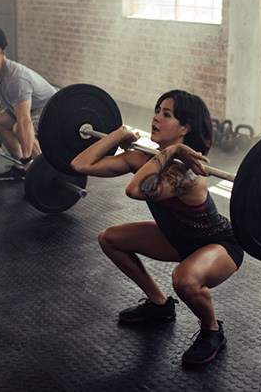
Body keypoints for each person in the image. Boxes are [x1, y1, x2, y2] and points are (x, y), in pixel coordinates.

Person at [70, 90, 244, 365]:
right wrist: (119, 134)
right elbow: (80, 165)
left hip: (219, 245)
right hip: (176, 238)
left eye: (166, 114)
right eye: (157, 110)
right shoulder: (144, 159)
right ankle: (159, 305)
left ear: (184, 128)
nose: (155, 118)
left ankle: (212, 329)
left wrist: (174, 151)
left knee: (184, 280)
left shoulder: (186, 174)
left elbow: (135, 189)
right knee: (110, 239)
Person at [0, 27, 58, 181]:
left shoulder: (16, 78)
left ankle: (46, 171)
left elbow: (24, 120)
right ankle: (21, 168)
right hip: (28, 108)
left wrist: (28, 157)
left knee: (18, 128)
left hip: (51, 106)